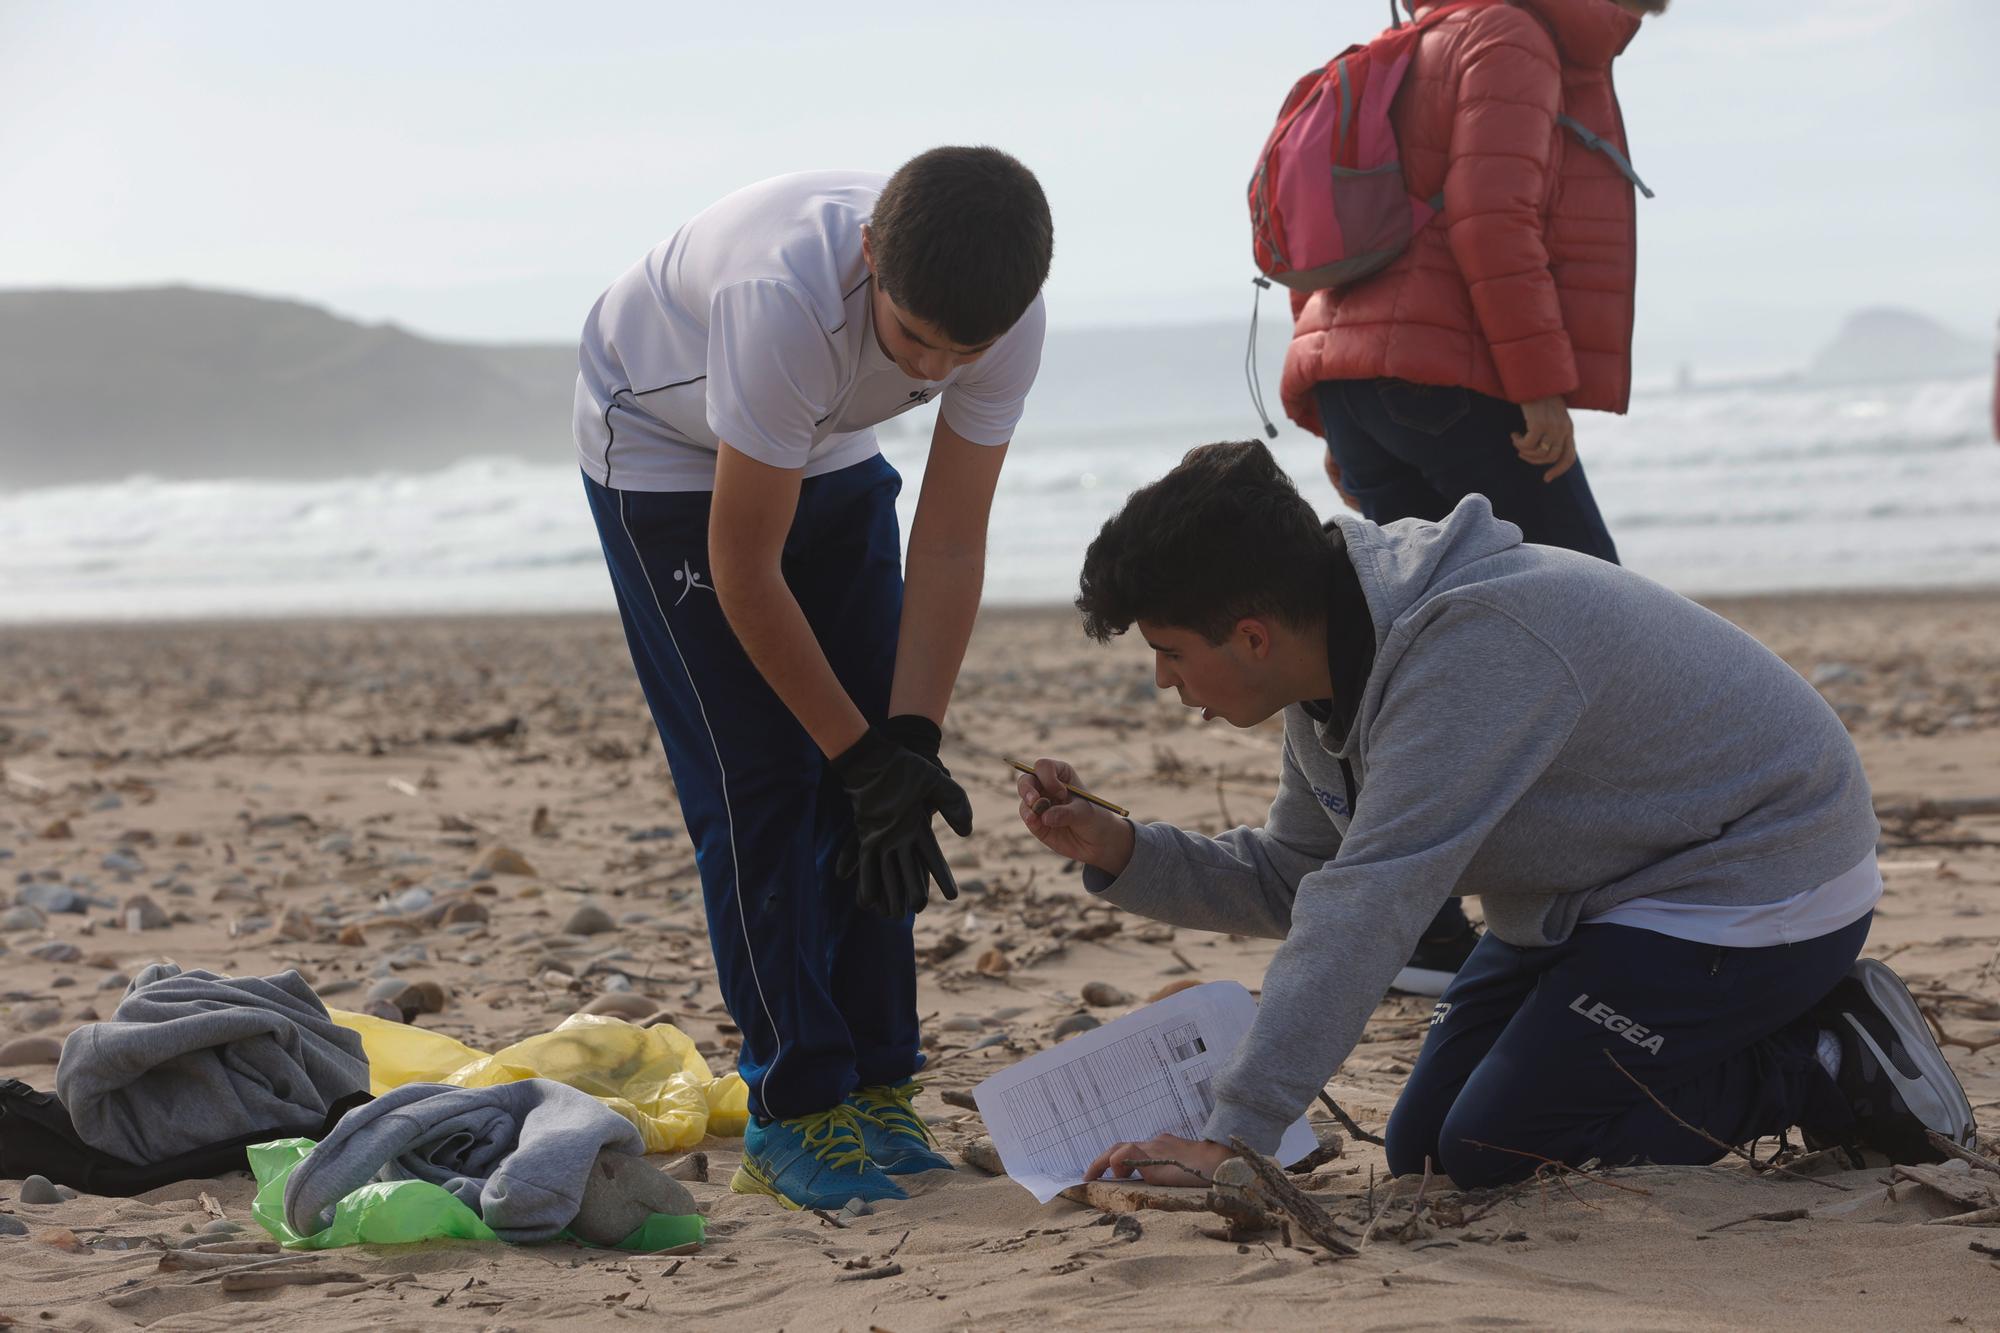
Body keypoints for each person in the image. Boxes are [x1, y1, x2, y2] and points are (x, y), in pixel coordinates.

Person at [1015, 440, 1976, 1189]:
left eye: (1172, 651)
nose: (1164, 680)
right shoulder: (1332, 673)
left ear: (1254, 634)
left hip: (1758, 873)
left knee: (1496, 1145)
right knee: (1423, 1148)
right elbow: (1295, 875)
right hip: (1596, 892)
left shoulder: (1468, 651)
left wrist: (1236, 1137)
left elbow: (1366, 907)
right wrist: (1127, 849)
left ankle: (1822, 1056)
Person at [574, 148, 1053, 1210]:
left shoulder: (1005, 319)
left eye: (956, 350)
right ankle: (792, 1106)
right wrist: (850, 751)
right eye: (912, 334)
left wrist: (908, 742)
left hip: (820, 432)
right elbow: (743, 569)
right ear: (870, 253)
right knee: (767, 781)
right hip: (662, 444)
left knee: (883, 796)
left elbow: (949, 539)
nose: (930, 366)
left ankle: (876, 1079)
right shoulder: (781, 293)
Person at [1282, 0, 1670, 995]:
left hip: (1359, 374)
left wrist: (1338, 413)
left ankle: (1419, 930)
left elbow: (1328, 227)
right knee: (1597, 620)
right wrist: (1536, 380)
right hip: (1456, 374)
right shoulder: (1507, 36)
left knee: (1406, 643)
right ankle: (1622, 906)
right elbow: (1490, 215)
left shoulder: (1405, 46)